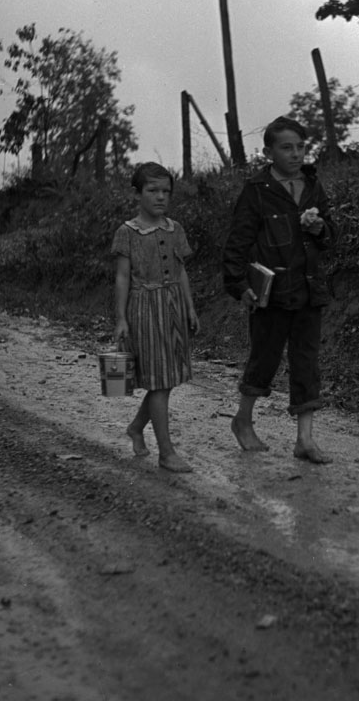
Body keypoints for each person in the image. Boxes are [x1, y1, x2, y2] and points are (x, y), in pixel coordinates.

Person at [222, 116, 336, 464]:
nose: (296, 154)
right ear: (269, 151)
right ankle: (243, 420)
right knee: (264, 358)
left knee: (307, 362)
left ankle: (304, 439)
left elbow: (333, 236)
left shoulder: (313, 186)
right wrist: (239, 286)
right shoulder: (257, 191)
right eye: (287, 147)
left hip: (308, 290)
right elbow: (237, 244)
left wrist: (320, 229)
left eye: (301, 147)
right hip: (270, 294)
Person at [112, 162, 200, 473]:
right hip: (144, 309)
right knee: (159, 381)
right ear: (137, 193)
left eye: (166, 191)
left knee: (168, 379)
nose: (160, 197)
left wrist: (189, 307)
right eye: (153, 191)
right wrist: (121, 318)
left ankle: (137, 427)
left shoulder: (175, 230)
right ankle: (167, 452)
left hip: (173, 307)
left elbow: (181, 270)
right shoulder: (127, 232)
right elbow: (122, 278)